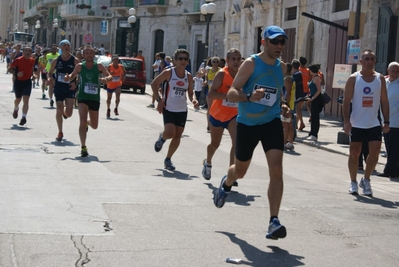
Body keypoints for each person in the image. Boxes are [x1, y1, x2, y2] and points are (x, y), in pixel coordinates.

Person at [213, 25, 289, 240]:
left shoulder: (281, 68)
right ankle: (226, 184)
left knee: (276, 169)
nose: (279, 46)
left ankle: (274, 221)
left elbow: (275, 93)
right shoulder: (251, 63)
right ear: (264, 42)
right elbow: (232, 92)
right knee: (240, 171)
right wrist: (249, 97)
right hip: (248, 123)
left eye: (282, 42)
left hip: (271, 122)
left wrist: (283, 105)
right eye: (275, 42)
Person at [343, 49, 390, 196]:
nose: (369, 62)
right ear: (361, 62)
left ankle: (366, 179)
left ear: (375, 61)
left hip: (373, 123)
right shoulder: (353, 78)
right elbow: (345, 101)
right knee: (354, 153)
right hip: (356, 122)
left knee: (375, 152)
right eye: (366, 59)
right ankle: (353, 182)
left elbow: (384, 100)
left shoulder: (380, 78)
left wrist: (386, 121)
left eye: (372, 59)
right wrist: (346, 121)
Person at [151, 49, 199, 170]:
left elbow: (190, 92)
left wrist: (193, 99)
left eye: (185, 59)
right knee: (170, 133)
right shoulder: (169, 73)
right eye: (180, 59)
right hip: (169, 108)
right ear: (175, 60)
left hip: (182, 110)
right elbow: (154, 84)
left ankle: (168, 159)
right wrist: (159, 100)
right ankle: (162, 138)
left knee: (177, 136)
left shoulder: (188, 76)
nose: (183, 61)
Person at [64, 45, 112, 157]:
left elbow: (109, 76)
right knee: (82, 121)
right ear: (83, 55)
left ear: (94, 55)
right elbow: (72, 76)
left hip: (94, 98)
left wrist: (106, 79)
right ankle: (83, 147)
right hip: (82, 97)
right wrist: (68, 77)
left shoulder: (99, 66)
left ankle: (88, 124)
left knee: (94, 126)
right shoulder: (80, 66)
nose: (89, 55)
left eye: (91, 53)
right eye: (87, 53)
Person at [202, 48, 241, 181]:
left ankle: (231, 174)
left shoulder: (243, 75)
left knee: (236, 143)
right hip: (217, 114)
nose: (236, 62)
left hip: (234, 115)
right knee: (215, 144)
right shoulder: (221, 75)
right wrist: (227, 96)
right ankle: (208, 162)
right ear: (228, 60)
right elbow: (211, 94)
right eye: (233, 59)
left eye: (238, 59)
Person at [48, 40, 80, 141]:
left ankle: (65, 114)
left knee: (69, 113)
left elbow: (80, 74)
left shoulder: (75, 60)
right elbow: (50, 73)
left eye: (68, 45)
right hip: (59, 87)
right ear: (60, 47)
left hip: (70, 88)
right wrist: (49, 79)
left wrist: (75, 83)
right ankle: (60, 132)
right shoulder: (56, 60)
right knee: (59, 109)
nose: (66, 47)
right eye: (64, 45)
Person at [378, 61, 399, 178]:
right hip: (384, 120)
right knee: (389, 146)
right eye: (393, 71)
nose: (395, 73)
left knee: (394, 147)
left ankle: (390, 170)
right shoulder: (384, 83)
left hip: (396, 121)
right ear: (388, 71)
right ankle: (394, 169)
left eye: (397, 71)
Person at [8, 46, 36, 126]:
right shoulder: (18, 60)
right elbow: (9, 69)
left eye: (29, 51)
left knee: (26, 99)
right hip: (18, 82)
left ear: (31, 53)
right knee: (18, 99)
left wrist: (33, 75)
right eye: (26, 51)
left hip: (27, 82)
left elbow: (32, 69)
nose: (27, 52)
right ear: (23, 52)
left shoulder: (32, 61)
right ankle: (16, 108)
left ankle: (23, 117)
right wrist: (16, 73)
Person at [305, 63, 324, 141]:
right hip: (313, 98)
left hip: (316, 99)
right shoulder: (314, 77)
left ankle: (314, 134)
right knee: (313, 116)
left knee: (315, 117)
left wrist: (312, 98)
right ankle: (312, 133)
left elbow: (319, 90)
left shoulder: (317, 78)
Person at [204, 57, 221, 131]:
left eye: (217, 62)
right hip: (210, 91)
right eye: (214, 62)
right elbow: (206, 78)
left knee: (217, 108)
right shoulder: (208, 70)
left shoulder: (220, 70)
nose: (215, 63)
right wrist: (205, 82)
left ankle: (217, 124)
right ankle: (209, 124)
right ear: (211, 62)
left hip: (218, 92)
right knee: (209, 108)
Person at [282, 63, 295, 150]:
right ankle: (290, 142)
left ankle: (286, 142)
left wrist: (285, 103)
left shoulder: (287, 79)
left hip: (287, 104)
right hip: (290, 104)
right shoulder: (290, 78)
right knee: (289, 125)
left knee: (286, 125)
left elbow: (288, 93)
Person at [291, 59, 305, 130]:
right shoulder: (297, 73)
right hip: (299, 93)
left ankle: (301, 123)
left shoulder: (297, 75)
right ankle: (296, 124)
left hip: (297, 94)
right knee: (297, 109)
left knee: (297, 109)